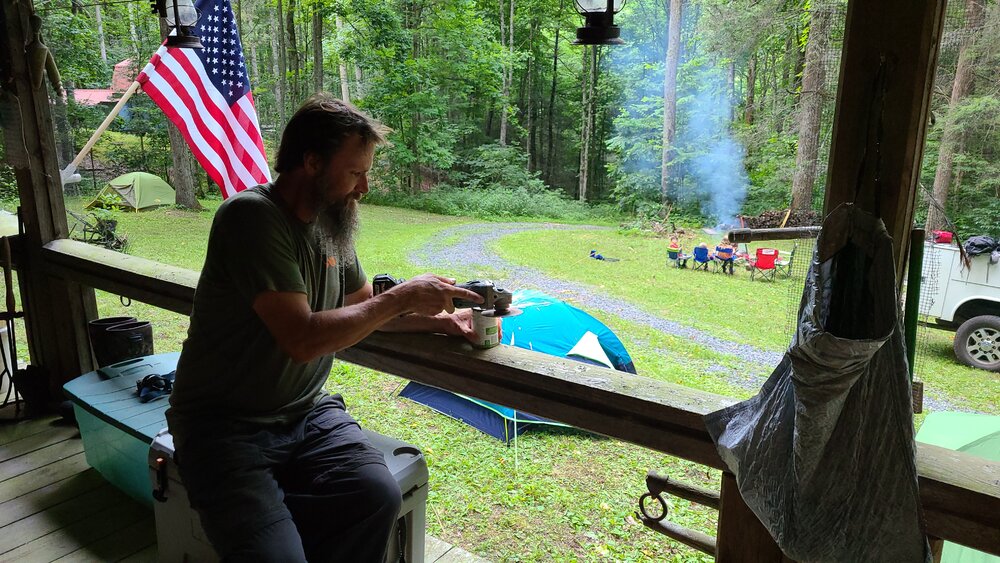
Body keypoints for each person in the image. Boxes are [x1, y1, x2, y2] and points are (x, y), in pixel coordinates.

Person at [165, 94, 485, 563]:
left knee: (376, 495)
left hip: (304, 413)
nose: (365, 187)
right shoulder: (251, 217)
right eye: (355, 172)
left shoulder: (331, 225)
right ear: (312, 162)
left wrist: (444, 323)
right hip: (223, 426)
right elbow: (302, 339)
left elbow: (363, 307)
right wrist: (401, 296)